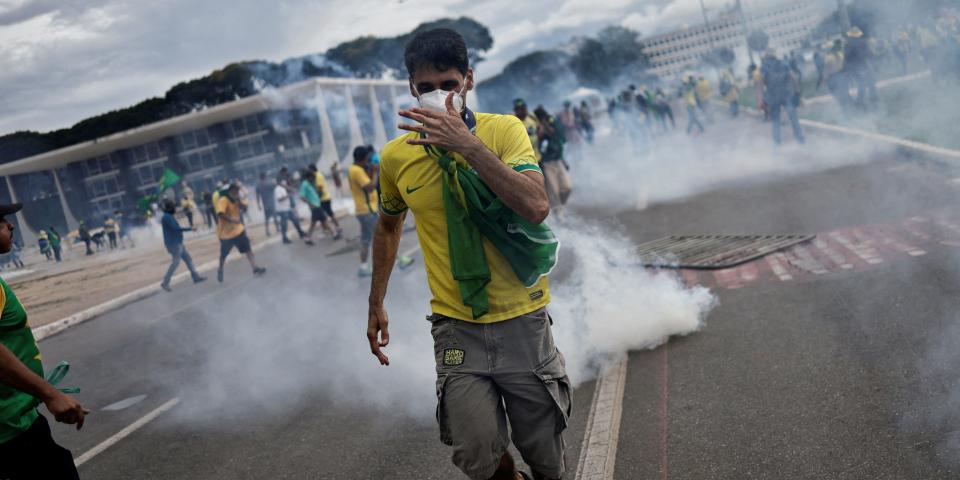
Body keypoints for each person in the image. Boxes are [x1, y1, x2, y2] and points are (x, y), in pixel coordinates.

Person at [369, 28, 568, 480]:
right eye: (426, 87)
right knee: (477, 452)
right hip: (456, 326)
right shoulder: (395, 158)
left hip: (522, 319)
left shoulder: (503, 131)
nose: (438, 96)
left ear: (468, 82)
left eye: (448, 85)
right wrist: (375, 302)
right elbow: (388, 225)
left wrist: (468, 145)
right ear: (411, 89)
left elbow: (536, 206)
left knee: (547, 459)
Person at [0, 203, 87, 480]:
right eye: (1, 221)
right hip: (8, 431)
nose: (11, 225)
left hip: (18, 419)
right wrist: (49, 393)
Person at [215, 183, 265, 283]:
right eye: (234, 190)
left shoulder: (237, 199)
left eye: (237, 191)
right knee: (223, 255)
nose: (236, 192)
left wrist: (239, 201)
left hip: (238, 230)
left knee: (248, 249)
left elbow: (245, 209)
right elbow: (220, 214)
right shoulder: (223, 200)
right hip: (226, 234)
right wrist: (232, 219)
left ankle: (255, 268)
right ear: (229, 191)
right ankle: (220, 269)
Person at [159, 200, 206, 292]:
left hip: (177, 243)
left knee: (188, 259)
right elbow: (176, 229)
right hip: (174, 244)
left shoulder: (168, 216)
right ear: (170, 208)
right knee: (176, 262)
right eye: (173, 207)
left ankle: (195, 276)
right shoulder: (167, 217)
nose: (175, 209)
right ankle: (165, 282)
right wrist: (190, 228)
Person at [762, 48, 805, 145]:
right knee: (793, 118)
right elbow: (793, 76)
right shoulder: (783, 63)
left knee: (776, 121)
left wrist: (763, 98)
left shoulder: (764, 66)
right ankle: (801, 140)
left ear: (766, 56)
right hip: (787, 94)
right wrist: (797, 91)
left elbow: (762, 82)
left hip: (773, 96)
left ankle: (777, 145)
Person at [349, 146, 379, 277]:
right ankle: (397, 261)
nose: (368, 161)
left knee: (366, 240)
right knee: (382, 237)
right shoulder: (357, 171)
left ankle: (363, 268)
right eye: (367, 158)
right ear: (363, 158)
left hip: (362, 210)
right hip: (368, 210)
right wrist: (376, 173)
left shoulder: (354, 169)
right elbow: (370, 187)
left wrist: (371, 171)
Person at [534, 107, 572, 208]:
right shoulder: (536, 127)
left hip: (558, 160)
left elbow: (559, 139)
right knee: (554, 192)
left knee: (567, 187)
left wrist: (563, 160)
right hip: (547, 163)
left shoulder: (552, 123)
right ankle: (559, 214)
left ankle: (561, 206)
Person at [299, 169, 332, 245]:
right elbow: (302, 197)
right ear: (309, 177)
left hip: (317, 205)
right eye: (312, 177)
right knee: (323, 220)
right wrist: (310, 204)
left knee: (316, 222)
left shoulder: (308, 183)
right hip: (314, 206)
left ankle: (307, 238)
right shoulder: (304, 184)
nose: (313, 179)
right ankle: (334, 233)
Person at [309, 164, 343, 239]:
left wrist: (317, 198)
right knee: (327, 214)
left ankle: (334, 228)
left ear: (312, 169)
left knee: (325, 215)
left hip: (323, 199)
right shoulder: (318, 175)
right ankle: (334, 228)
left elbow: (320, 188)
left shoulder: (317, 176)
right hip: (325, 197)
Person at [513, 99, 541, 164]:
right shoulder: (514, 123)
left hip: (537, 157)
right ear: (516, 111)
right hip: (526, 162)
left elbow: (539, 128)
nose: (525, 111)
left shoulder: (531, 117)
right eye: (522, 109)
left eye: (525, 108)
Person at [273, 179, 296, 244]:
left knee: (295, 220)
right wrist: (288, 195)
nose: (285, 184)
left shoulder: (283, 188)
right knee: (284, 225)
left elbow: (293, 190)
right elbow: (279, 199)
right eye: (284, 183)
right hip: (282, 210)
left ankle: (301, 232)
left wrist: (287, 187)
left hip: (287, 208)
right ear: (280, 183)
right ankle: (284, 238)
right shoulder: (278, 189)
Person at [255, 172, 276, 237]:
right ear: (265, 176)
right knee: (274, 216)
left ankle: (267, 231)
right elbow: (275, 187)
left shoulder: (258, 185)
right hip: (271, 203)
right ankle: (278, 228)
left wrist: (258, 205)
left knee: (267, 219)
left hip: (265, 204)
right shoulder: (269, 183)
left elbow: (257, 196)